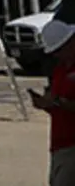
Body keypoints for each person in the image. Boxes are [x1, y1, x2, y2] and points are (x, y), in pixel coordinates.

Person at [30, 19, 75, 186]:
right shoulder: (59, 70)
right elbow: (58, 104)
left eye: (58, 50)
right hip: (59, 144)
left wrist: (58, 101)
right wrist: (46, 104)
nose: (56, 55)